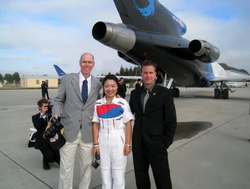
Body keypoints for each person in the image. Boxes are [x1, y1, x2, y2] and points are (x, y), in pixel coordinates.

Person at [52, 53, 102, 189]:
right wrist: (55, 114)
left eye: (89, 62)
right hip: (68, 130)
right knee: (66, 168)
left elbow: (99, 104)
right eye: (84, 62)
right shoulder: (67, 79)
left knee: (86, 169)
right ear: (80, 63)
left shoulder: (97, 84)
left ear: (93, 64)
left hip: (88, 132)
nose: (87, 65)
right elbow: (58, 100)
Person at [129, 60, 177, 189]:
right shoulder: (134, 94)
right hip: (139, 144)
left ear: (156, 74)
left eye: (151, 72)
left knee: (163, 180)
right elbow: (127, 114)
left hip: (157, 144)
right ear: (141, 74)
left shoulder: (165, 94)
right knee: (141, 180)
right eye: (145, 73)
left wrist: (166, 142)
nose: (148, 75)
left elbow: (171, 121)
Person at [92, 74, 134, 189]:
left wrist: (127, 144)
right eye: (107, 86)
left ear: (117, 87)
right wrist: (95, 144)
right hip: (102, 140)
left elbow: (128, 124)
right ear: (103, 87)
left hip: (118, 140)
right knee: (105, 175)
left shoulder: (122, 103)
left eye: (113, 86)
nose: (110, 89)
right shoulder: (98, 104)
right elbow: (95, 124)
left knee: (118, 175)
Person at [32, 98, 60, 170]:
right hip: (42, 140)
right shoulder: (35, 117)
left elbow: (59, 124)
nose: (46, 108)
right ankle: (45, 163)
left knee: (59, 159)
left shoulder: (51, 115)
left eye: (47, 106)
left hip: (52, 140)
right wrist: (43, 115)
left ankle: (52, 158)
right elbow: (37, 126)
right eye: (44, 107)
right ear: (39, 107)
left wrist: (54, 115)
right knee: (49, 155)